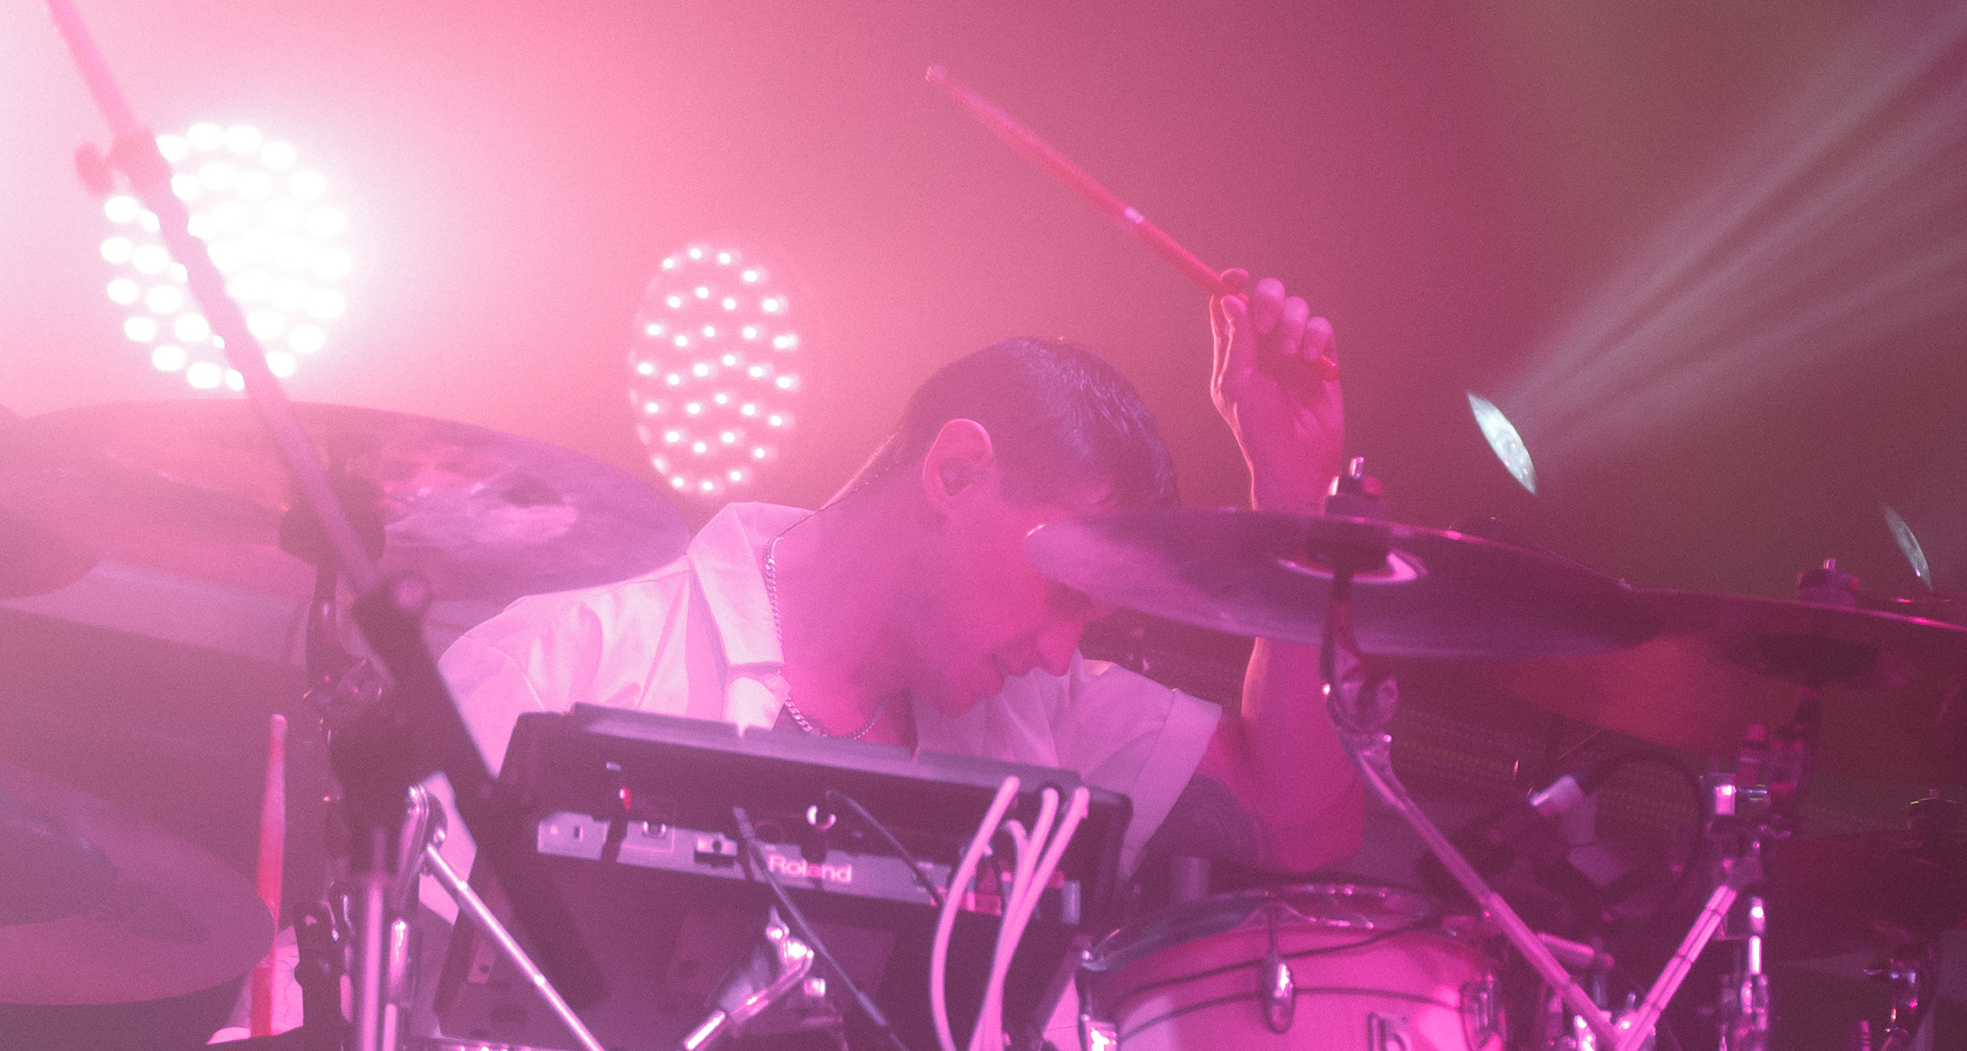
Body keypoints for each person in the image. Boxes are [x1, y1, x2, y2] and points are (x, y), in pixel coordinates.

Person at [441, 280, 1364, 877]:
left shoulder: (1043, 713)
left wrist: (1298, 505)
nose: (1058, 653)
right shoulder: (557, 663)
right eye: (1062, 593)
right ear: (955, 472)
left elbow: (1301, 828)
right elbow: (403, 1039)